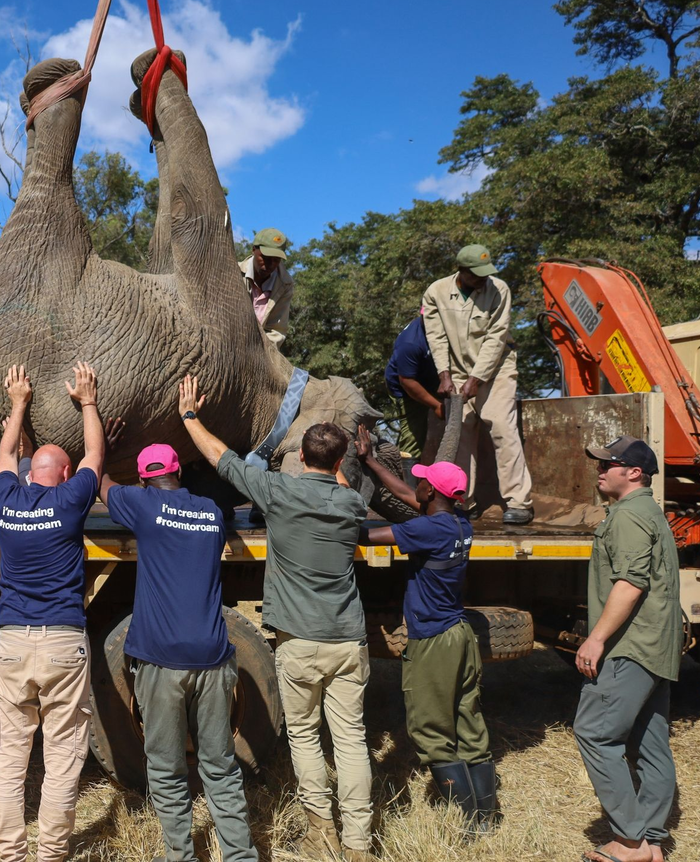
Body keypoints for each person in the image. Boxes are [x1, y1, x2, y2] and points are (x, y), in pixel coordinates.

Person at [178, 375, 377, 862]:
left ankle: (320, 834)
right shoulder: (352, 504)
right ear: (338, 463)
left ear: (300, 458)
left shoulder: (278, 493)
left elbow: (221, 458)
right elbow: (339, 483)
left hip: (299, 642)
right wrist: (337, 462)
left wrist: (189, 416)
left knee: (305, 737)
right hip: (348, 640)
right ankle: (358, 843)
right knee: (352, 740)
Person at [99, 443, 257, 862]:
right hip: (213, 657)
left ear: (143, 480)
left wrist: (107, 451)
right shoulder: (211, 513)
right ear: (178, 474)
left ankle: (180, 856)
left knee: (167, 771)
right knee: (220, 766)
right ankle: (241, 856)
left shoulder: (141, 504)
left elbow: (101, 483)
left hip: (161, 660)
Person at [0, 362, 105, 862]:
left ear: (27, 474)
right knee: (62, 757)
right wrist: (88, 402)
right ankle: (51, 854)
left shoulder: (6, 498)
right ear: (64, 475)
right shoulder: (71, 499)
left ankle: (11, 855)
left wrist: (18, 403)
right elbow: (96, 456)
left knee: (8, 759)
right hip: (63, 641)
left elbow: (3, 455)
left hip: (13, 642)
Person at [354, 428, 496, 833]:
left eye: (422, 481)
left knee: (430, 728)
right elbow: (406, 493)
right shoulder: (460, 523)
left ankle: (464, 822)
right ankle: (486, 818)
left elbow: (367, 536)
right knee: (468, 722)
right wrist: (371, 461)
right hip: (460, 634)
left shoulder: (427, 531)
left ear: (431, 493)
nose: (414, 484)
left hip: (433, 640)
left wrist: (334, 509)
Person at [575, 436, 680, 862]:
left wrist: (596, 638)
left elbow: (631, 583)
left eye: (608, 464)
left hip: (630, 647)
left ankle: (630, 841)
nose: (599, 470)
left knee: (594, 732)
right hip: (656, 647)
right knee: (651, 745)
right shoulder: (649, 512)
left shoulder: (628, 516)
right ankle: (650, 841)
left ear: (634, 472)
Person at [422, 244, 534, 524]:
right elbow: (436, 336)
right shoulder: (436, 292)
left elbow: (497, 337)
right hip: (457, 371)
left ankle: (519, 502)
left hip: (496, 370)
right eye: (476, 274)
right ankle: (463, 501)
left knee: (502, 428)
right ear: (461, 271)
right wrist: (444, 374)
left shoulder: (499, 290)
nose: (483, 279)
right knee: (459, 433)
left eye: (486, 273)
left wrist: (476, 379)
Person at [385, 314, 443, 459]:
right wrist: (436, 406)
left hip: (432, 378)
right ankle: (408, 471)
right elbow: (407, 381)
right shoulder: (410, 343)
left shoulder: (446, 326)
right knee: (413, 437)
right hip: (406, 389)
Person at [239, 227, 294, 347]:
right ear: (254, 250)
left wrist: (256, 352)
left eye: (276, 260)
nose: (270, 265)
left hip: (260, 351)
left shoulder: (285, 284)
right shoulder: (234, 273)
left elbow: (276, 331)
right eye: (265, 258)